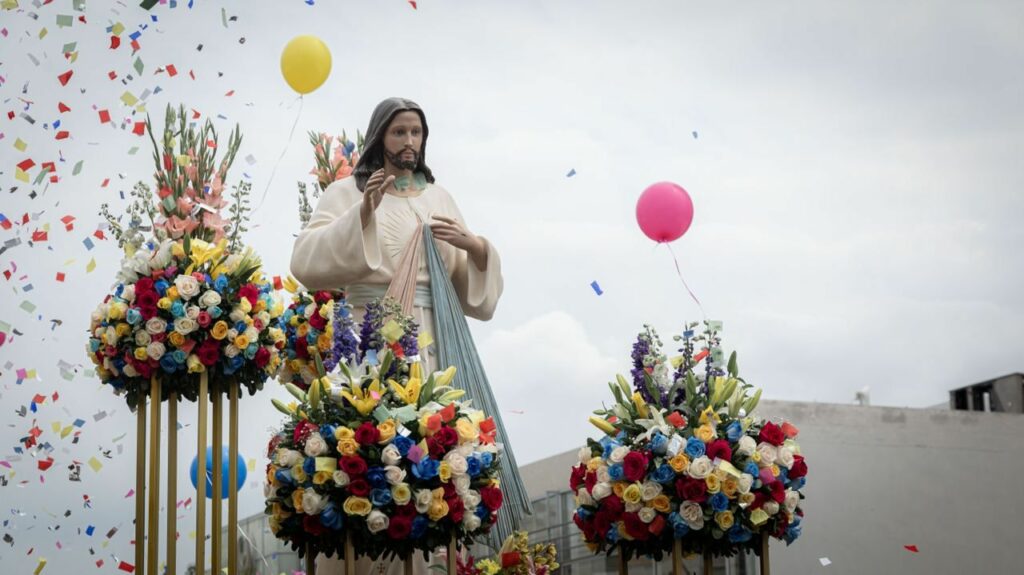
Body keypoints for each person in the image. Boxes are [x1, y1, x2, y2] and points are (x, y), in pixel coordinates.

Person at [289, 97, 503, 574]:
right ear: (379, 136)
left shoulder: (438, 197)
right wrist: (362, 213)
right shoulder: (347, 192)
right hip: (372, 332)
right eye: (399, 132)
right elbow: (306, 261)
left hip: (434, 335)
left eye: (416, 133)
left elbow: (474, 295)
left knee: (436, 444)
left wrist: (477, 249)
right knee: (373, 439)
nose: (409, 142)